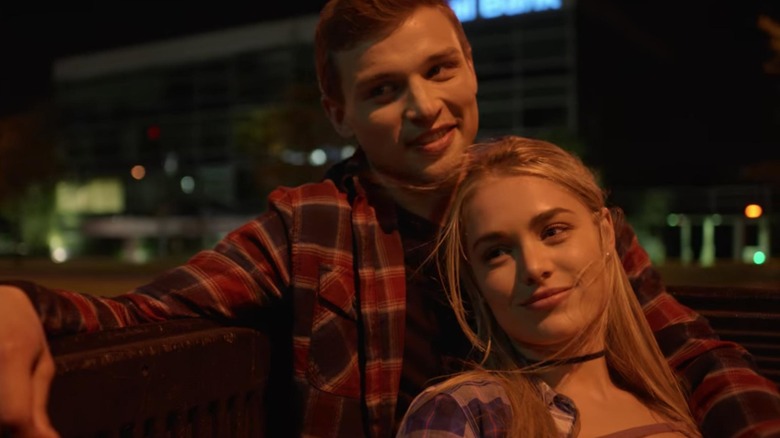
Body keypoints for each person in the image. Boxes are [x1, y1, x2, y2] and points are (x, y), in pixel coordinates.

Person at [0, 1, 779, 437]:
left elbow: (681, 344)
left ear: (470, 64)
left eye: (440, 69)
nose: (425, 108)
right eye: (382, 90)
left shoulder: (547, 200)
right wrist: (22, 303)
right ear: (339, 111)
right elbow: (151, 309)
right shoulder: (309, 227)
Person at [396, 135, 701, 437]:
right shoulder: (462, 414)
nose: (533, 267)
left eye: (553, 231)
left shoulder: (685, 401)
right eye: (497, 252)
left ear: (605, 233)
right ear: (475, 280)